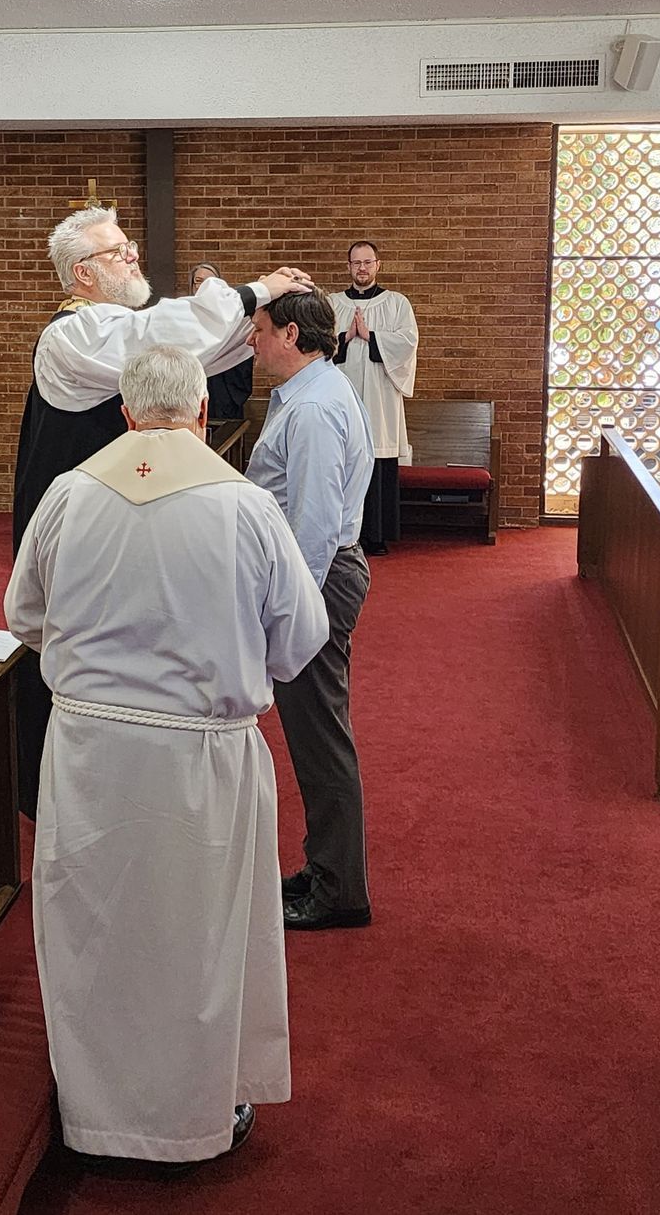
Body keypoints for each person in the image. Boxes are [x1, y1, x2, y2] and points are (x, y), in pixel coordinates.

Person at [4, 346, 329, 1167]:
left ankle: (95, 1115)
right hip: (202, 761)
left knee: (96, 933)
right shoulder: (245, 504)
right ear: (202, 414)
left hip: (87, 755)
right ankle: (198, 1115)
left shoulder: (69, 495)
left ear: (122, 414)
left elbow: (22, 613)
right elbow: (300, 640)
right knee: (200, 940)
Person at [10, 204, 310, 817]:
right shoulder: (71, 333)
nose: (132, 256)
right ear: (82, 275)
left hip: (132, 523)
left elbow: (193, 348)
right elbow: (160, 338)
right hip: (89, 529)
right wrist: (256, 290)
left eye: (130, 246)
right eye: (117, 251)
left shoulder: (119, 329)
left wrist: (252, 319)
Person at [246, 287, 375, 930]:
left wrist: (289, 606)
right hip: (313, 576)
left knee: (321, 736)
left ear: (292, 334)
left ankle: (338, 891)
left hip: (317, 579)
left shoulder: (316, 406)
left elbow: (317, 524)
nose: (252, 340)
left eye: (261, 329)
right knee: (314, 732)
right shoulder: (309, 393)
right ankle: (326, 867)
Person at [328, 241, 419, 556]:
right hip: (343, 398)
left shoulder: (396, 304)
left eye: (368, 262)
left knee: (378, 461)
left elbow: (408, 343)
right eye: (356, 263)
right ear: (348, 266)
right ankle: (340, 534)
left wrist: (372, 337)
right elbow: (317, 345)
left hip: (381, 399)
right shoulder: (332, 304)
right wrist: (345, 337)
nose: (362, 268)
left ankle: (376, 536)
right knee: (343, 462)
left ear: (378, 265)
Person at [190, 262, 255, 421]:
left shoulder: (235, 319)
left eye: (210, 282)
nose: (203, 286)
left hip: (224, 398)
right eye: (198, 281)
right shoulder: (185, 320)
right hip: (190, 403)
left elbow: (241, 357)